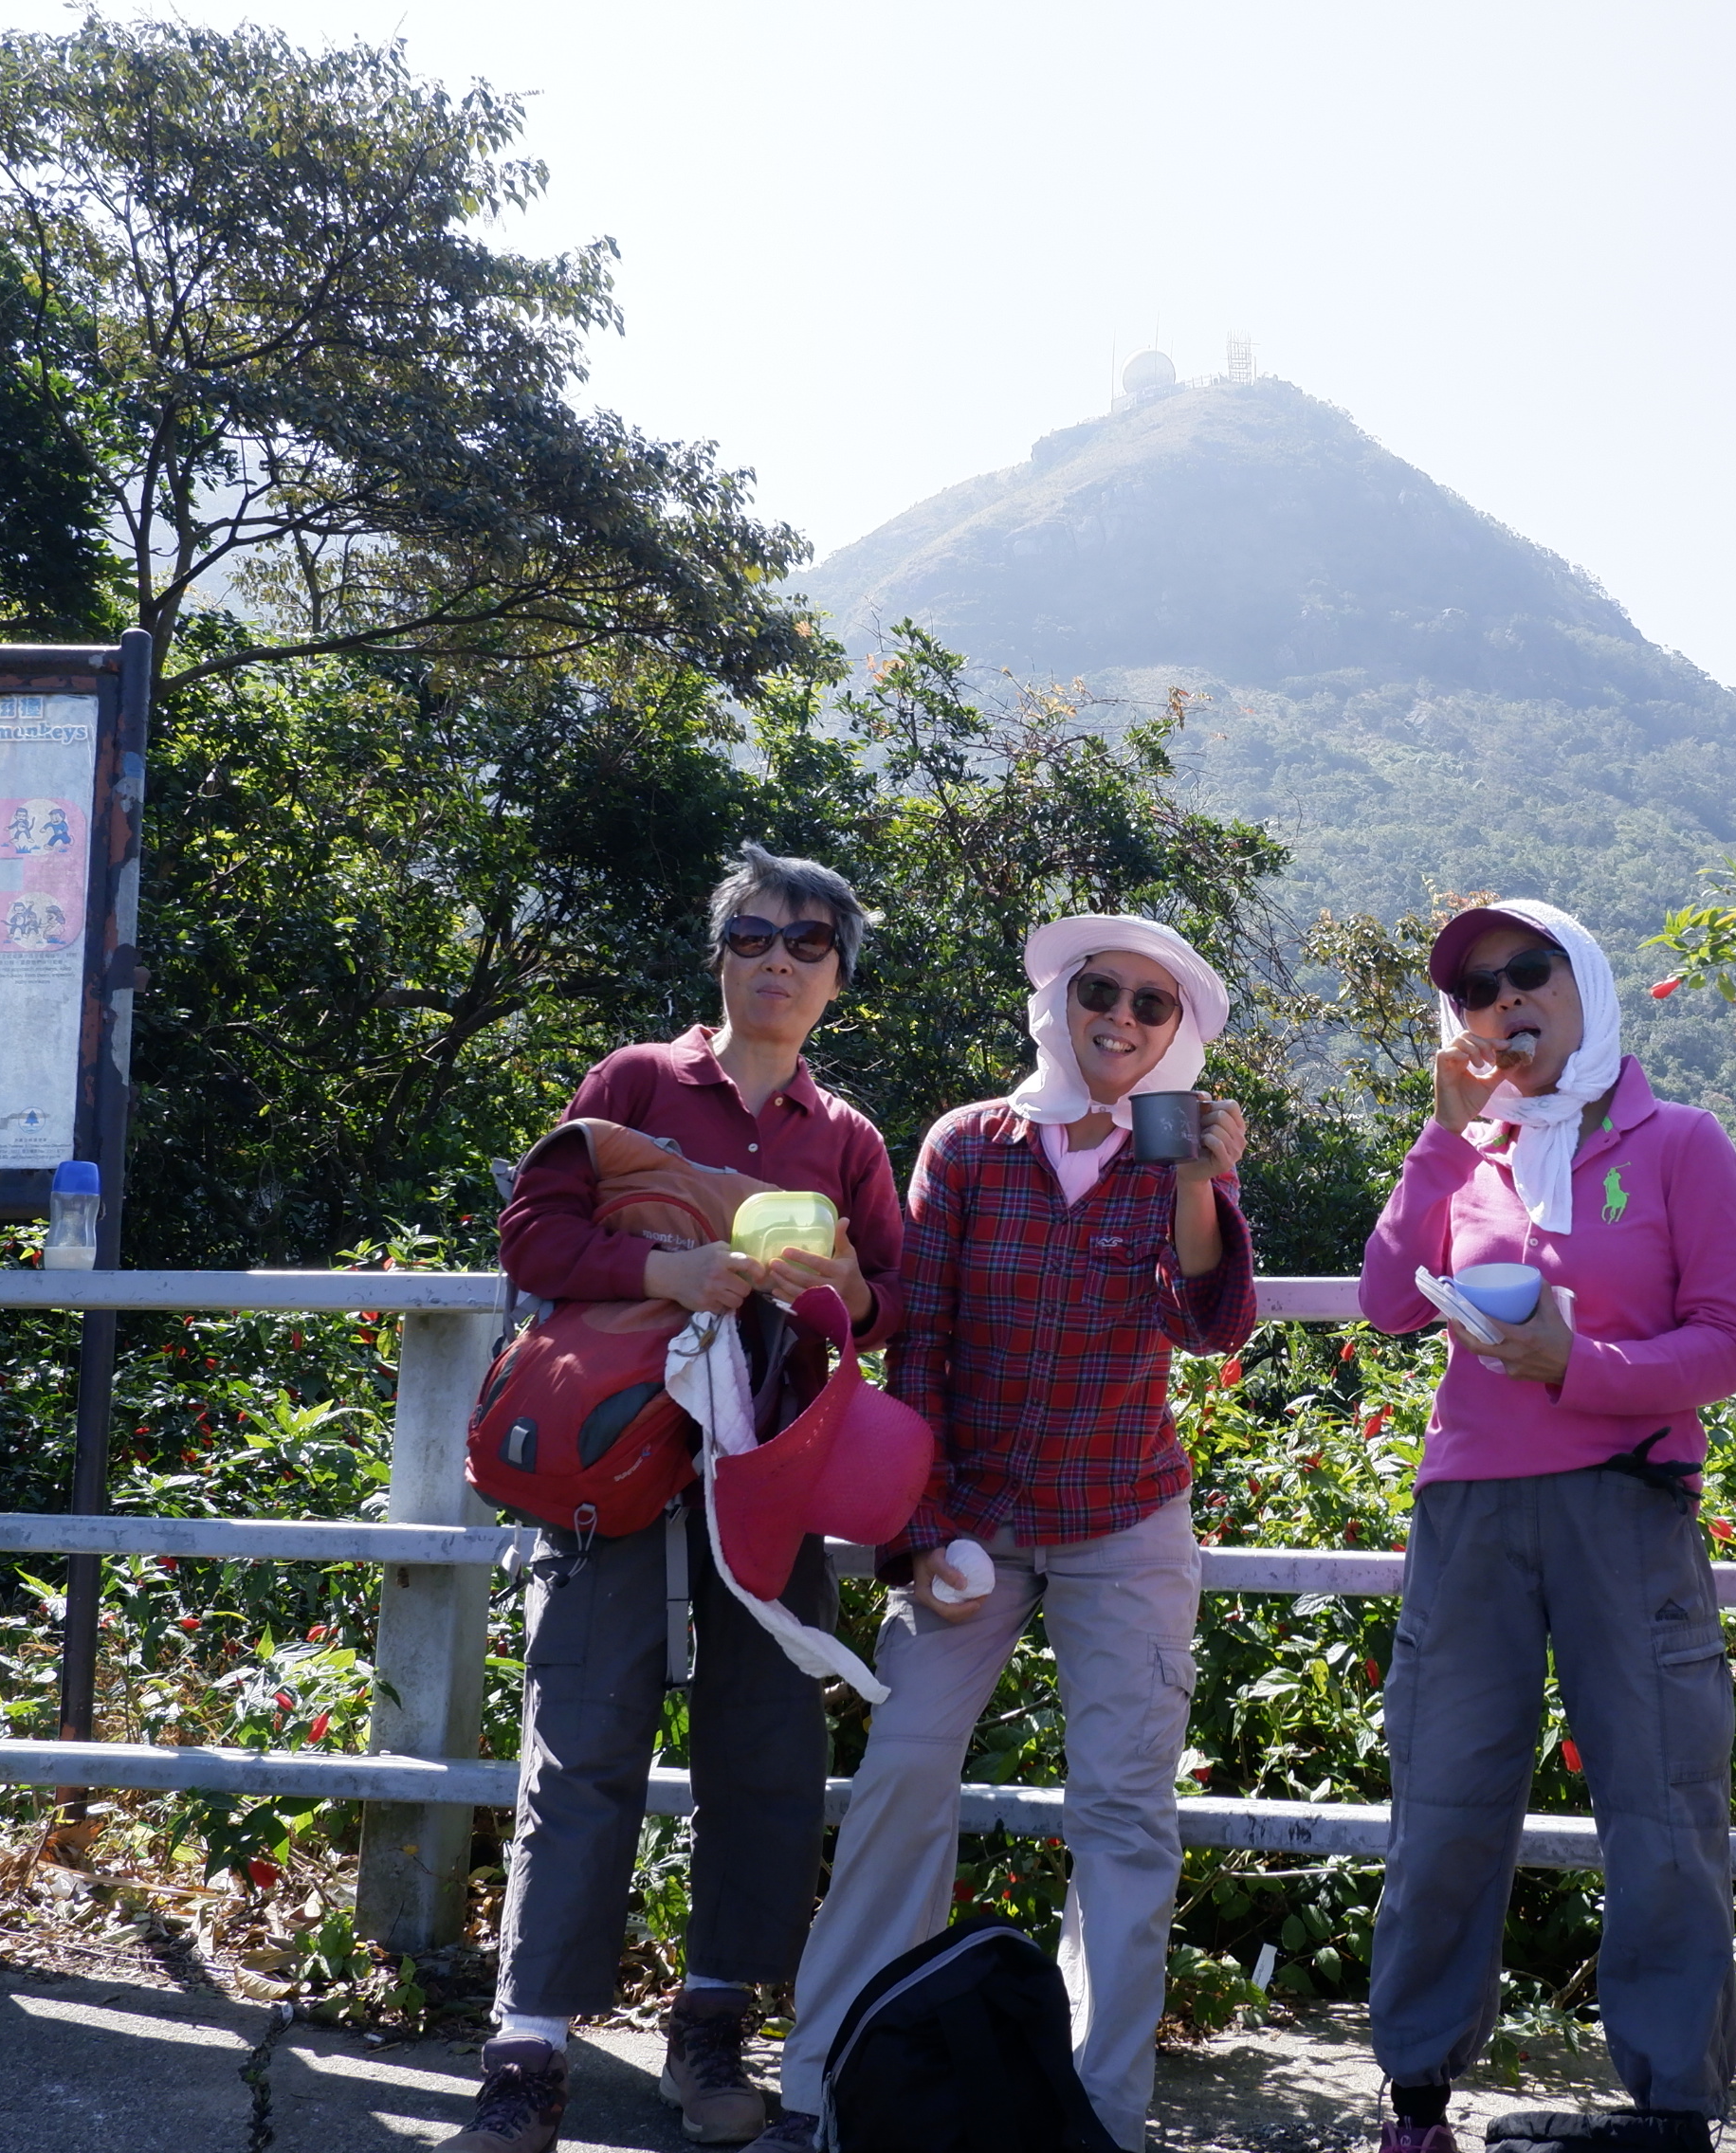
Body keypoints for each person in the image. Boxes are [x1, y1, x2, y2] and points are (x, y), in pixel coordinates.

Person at [765, 915, 1260, 2153]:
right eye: (1102, 991)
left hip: (1122, 1514)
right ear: (1059, 1002)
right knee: (902, 1773)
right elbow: (919, 1340)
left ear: (1176, 1033)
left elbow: (1208, 1324)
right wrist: (927, 1530)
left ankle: (1102, 2118)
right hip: (971, 1518)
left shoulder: (1174, 1154)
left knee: (1124, 1814)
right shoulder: (972, 1146)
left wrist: (1199, 1180)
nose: (1122, 1019)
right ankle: (826, 2088)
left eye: (1153, 1005)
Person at [448, 842, 904, 2153]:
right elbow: (533, 1236)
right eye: (753, 935)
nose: (777, 960)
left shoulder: (846, 1140)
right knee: (582, 1742)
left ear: (837, 978)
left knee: (764, 1754)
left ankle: (710, 2027)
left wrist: (838, 1286)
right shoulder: (636, 1084)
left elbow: (895, 1301)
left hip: (770, 1474)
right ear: (720, 956)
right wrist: (673, 1271)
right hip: (613, 1460)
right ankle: (528, 2053)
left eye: (807, 943)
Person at [1354, 900, 1736, 2153]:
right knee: (1445, 1801)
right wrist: (1439, 1138)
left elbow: (1727, 1345)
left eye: (1528, 972)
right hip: (1470, 1508)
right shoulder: (1466, 1154)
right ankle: (1417, 2094)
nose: (1503, 1001)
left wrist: (1574, 1365)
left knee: (1663, 1805)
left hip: (1627, 1503)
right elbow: (1387, 1303)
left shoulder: (1680, 1142)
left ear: (1586, 983)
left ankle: (1674, 2107)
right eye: (1476, 990)